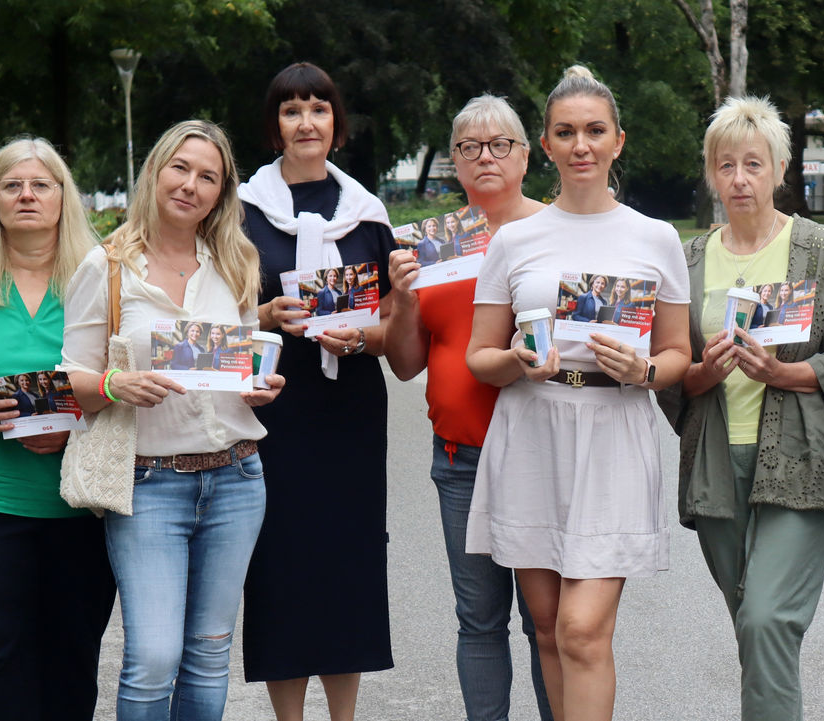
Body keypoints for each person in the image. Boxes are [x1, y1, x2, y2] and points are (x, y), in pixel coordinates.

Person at [464, 65, 690, 721]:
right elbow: (481, 354)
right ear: (547, 144)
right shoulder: (514, 238)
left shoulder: (655, 237)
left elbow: (678, 353)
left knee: (583, 628)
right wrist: (515, 358)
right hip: (532, 431)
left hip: (612, 431)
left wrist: (644, 371)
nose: (581, 144)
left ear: (618, 140)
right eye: (567, 132)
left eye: (595, 130)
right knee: (547, 627)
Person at [60, 119, 284, 720]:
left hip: (238, 478)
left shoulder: (235, 260)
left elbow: (236, 369)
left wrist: (258, 388)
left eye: (207, 176)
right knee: (154, 657)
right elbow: (69, 382)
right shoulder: (105, 266)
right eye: (180, 168)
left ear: (221, 191)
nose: (191, 185)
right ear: (155, 172)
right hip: (148, 484)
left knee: (210, 654)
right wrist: (116, 382)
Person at [656, 95, 824, 721]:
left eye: (754, 163)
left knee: (768, 619)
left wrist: (784, 372)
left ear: (780, 168)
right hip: (714, 466)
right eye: (726, 165)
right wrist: (700, 374)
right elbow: (669, 376)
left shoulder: (817, 247)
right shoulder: (687, 259)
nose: (739, 179)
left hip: (795, 463)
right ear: (711, 174)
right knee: (752, 623)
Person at [384, 93, 553, 721]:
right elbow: (405, 364)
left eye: (500, 144)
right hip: (461, 456)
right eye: (469, 147)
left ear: (525, 155)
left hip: (542, 450)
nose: (485, 157)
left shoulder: (554, 230)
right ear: (454, 162)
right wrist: (401, 301)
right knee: (479, 619)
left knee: (547, 620)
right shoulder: (435, 246)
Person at [237, 62, 395, 721]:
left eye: (319, 108)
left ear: (337, 123)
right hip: (277, 409)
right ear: (275, 127)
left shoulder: (368, 215)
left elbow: (394, 326)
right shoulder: (241, 213)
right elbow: (214, 316)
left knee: (346, 567)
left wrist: (363, 338)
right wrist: (263, 318)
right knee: (279, 567)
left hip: (349, 411)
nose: (307, 121)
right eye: (292, 109)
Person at [0, 137, 115, 720]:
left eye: (40, 184)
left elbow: (127, 376)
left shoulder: (99, 279)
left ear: (63, 198)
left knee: (70, 665)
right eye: (11, 185)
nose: (26, 195)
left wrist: (75, 423)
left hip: (78, 502)